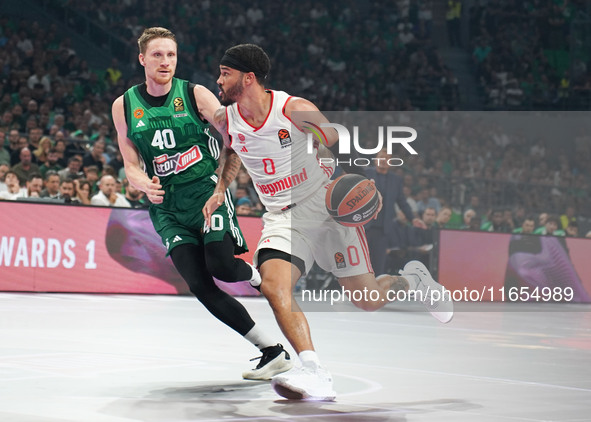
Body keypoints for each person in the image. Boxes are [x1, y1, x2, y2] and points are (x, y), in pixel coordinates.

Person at [205, 43, 453, 401]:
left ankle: (412, 279)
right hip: (281, 216)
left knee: (366, 298)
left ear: (248, 78)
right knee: (275, 287)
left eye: (224, 73)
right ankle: (313, 370)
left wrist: (366, 184)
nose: (218, 80)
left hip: (325, 204)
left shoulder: (294, 109)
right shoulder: (228, 119)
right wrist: (221, 187)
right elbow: (231, 150)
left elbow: (338, 143)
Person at [111, 27, 291, 381]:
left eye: (171, 55)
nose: (166, 62)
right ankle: (272, 351)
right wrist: (140, 181)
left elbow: (234, 137)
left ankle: (257, 278)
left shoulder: (194, 94)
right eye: (158, 55)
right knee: (198, 284)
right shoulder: (124, 105)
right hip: (168, 209)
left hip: (206, 195)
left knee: (223, 268)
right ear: (142, 59)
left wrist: (222, 187)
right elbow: (130, 160)